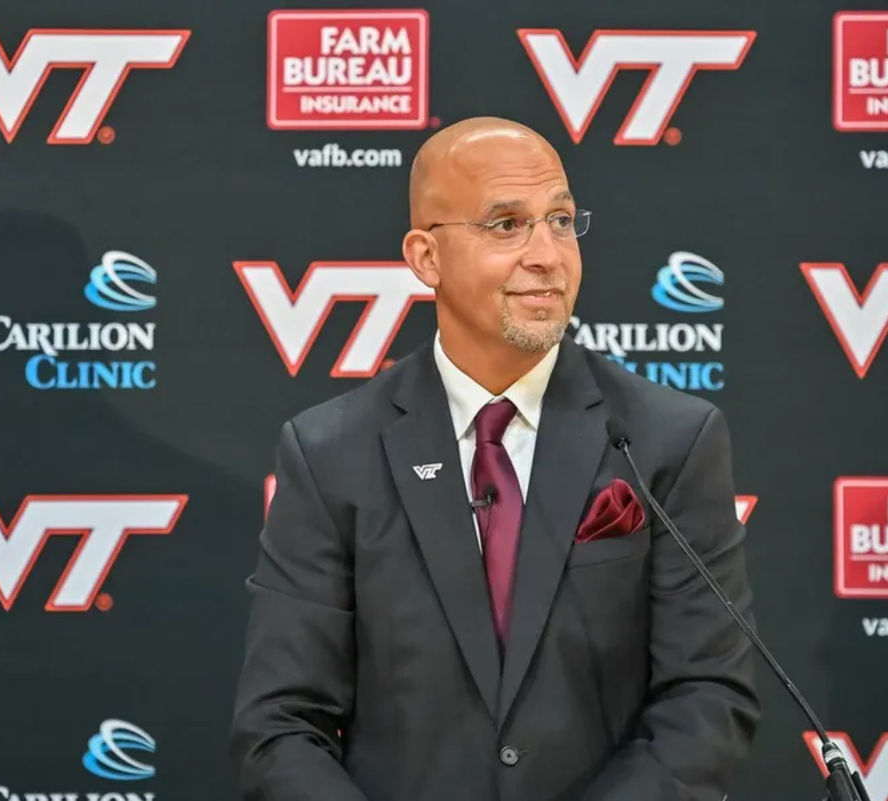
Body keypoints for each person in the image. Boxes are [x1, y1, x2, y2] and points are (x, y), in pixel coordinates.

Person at [230, 117, 760, 801]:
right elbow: (279, 724)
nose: (548, 254)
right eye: (506, 225)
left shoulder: (670, 440)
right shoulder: (330, 452)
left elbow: (708, 695)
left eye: (562, 220)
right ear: (425, 257)